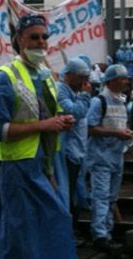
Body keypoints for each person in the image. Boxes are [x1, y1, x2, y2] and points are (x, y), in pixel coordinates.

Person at [0, 14, 76, 259]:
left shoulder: (45, 76)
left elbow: (47, 115)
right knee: (20, 234)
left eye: (45, 37)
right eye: (34, 37)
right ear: (19, 40)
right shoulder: (4, 77)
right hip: (17, 167)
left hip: (44, 164)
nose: (41, 42)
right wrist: (44, 125)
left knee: (51, 223)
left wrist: (61, 121)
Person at [86, 64, 133, 251]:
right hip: (101, 157)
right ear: (111, 81)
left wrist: (125, 132)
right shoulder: (99, 102)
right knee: (101, 196)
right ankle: (99, 235)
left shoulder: (120, 102)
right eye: (122, 78)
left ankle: (108, 232)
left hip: (116, 156)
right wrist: (116, 133)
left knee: (112, 197)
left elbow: (120, 124)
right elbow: (90, 128)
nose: (126, 82)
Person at [57, 57, 92, 232]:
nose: (84, 83)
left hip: (76, 152)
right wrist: (85, 96)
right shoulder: (60, 91)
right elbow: (74, 113)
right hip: (66, 152)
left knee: (74, 193)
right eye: (81, 78)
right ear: (69, 75)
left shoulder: (73, 92)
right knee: (67, 193)